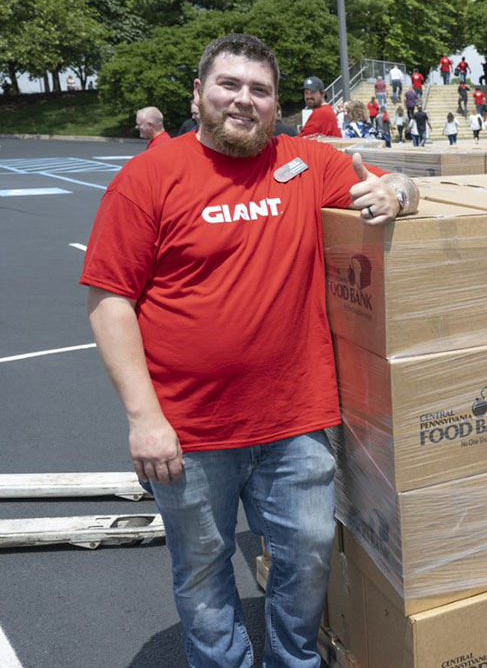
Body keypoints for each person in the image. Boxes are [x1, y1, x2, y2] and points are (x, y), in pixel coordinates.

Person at [80, 33, 419, 668]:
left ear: (277, 102)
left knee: (309, 553)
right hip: (190, 428)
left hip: (297, 419)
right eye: (228, 85)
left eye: (259, 90)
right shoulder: (149, 177)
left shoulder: (307, 163)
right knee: (204, 570)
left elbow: (395, 181)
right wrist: (143, 419)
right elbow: (109, 301)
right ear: (199, 94)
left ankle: (295, 660)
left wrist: (400, 193)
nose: (243, 100)